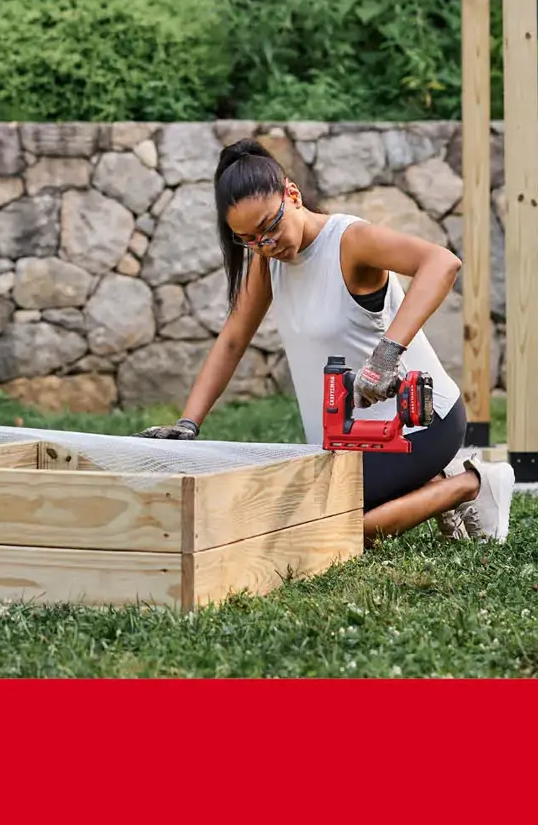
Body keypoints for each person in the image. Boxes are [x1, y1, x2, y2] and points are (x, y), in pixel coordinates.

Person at [141, 140, 513, 543]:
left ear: (292, 195)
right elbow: (232, 342)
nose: (266, 244)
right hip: (346, 442)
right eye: (248, 238)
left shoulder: (349, 241)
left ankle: (472, 485)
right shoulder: (268, 262)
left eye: (270, 227)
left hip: (418, 426)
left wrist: (386, 355)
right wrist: (188, 424)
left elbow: (442, 262)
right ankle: (438, 482)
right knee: (300, 523)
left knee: (331, 531)